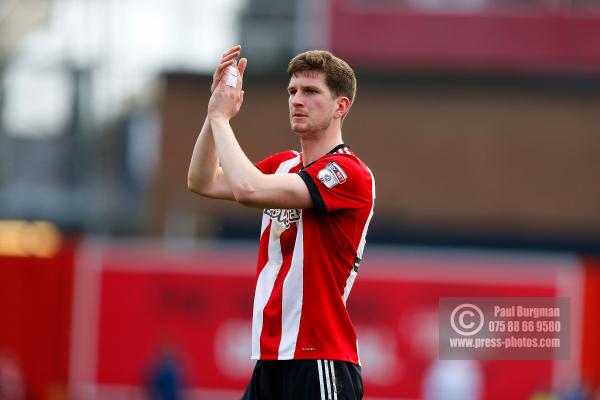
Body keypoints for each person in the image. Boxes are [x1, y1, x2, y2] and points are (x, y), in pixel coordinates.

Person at [188, 45, 375, 400]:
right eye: (292, 91)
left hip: (319, 359)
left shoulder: (349, 173)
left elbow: (246, 188)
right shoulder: (284, 165)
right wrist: (212, 114)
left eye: (311, 92)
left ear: (340, 107)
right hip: (271, 358)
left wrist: (222, 120)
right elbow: (202, 181)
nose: (297, 100)